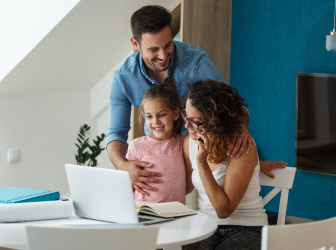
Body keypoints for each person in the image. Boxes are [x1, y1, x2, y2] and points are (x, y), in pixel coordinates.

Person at [106, 5, 286, 196]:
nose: (163, 55)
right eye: (153, 49)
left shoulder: (195, 60)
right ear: (135, 43)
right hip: (160, 164)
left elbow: (233, 105)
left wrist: (240, 128)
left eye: (168, 44)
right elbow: (116, 133)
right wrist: (122, 165)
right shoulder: (123, 78)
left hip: (201, 153)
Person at [182, 80, 268, 250]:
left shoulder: (241, 147)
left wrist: (201, 162)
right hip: (206, 225)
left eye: (195, 121)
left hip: (246, 227)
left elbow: (224, 211)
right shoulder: (189, 142)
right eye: (186, 116)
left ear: (215, 122)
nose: (186, 125)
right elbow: (184, 188)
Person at [126, 77, 186, 204]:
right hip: (144, 211)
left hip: (176, 213)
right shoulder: (136, 146)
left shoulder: (183, 143)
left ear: (175, 114)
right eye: (149, 116)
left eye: (162, 114)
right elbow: (127, 185)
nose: (155, 121)